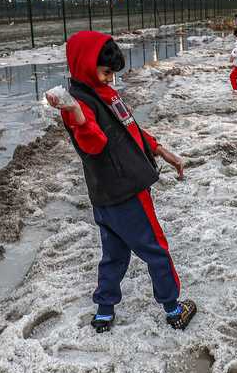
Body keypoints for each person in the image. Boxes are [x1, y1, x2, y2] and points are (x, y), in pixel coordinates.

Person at [46, 31, 197, 333]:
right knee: (155, 247)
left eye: (112, 73)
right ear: (85, 64)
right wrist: (76, 114)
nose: (108, 78)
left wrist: (163, 152)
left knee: (114, 254)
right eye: (104, 72)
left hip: (105, 194)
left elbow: (131, 127)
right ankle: (173, 307)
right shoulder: (77, 105)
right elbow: (94, 145)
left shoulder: (106, 94)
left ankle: (104, 311)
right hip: (126, 190)